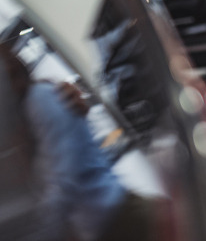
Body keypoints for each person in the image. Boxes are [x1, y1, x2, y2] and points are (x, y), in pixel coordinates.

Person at [0, 43, 155, 241]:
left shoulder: (40, 99)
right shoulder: (22, 121)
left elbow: (62, 185)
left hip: (119, 219)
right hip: (101, 226)